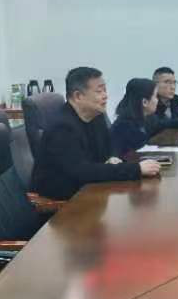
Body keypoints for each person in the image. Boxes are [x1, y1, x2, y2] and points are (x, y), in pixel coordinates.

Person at [32, 67, 160, 200]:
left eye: (105, 90)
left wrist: (112, 157)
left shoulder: (96, 116)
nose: (105, 96)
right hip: (63, 201)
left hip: (89, 189)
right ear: (78, 96)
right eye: (99, 91)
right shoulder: (62, 128)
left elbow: (106, 152)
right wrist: (136, 169)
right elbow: (83, 172)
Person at [111, 78, 161, 156]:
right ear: (144, 102)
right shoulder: (124, 127)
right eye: (156, 96)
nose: (157, 100)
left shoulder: (145, 120)